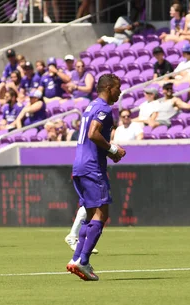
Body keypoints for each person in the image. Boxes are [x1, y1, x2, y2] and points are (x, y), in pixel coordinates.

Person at [67, 73, 126, 281]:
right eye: (118, 87)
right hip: (93, 167)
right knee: (102, 215)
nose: (120, 91)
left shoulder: (90, 107)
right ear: (109, 88)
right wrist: (112, 149)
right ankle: (83, 261)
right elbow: (93, 133)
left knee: (91, 216)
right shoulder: (104, 108)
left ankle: (76, 259)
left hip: (79, 165)